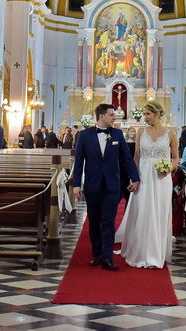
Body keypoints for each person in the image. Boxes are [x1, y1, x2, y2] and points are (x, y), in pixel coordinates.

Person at [73, 103, 140, 270]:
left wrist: (135, 178)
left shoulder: (117, 134)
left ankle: (107, 257)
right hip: (92, 184)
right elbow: (79, 161)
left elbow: (127, 158)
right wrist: (76, 185)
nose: (114, 117)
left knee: (108, 221)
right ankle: (96, 254)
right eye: (111, 115)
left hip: (112, 185)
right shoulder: (84, 135)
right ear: (101, 116)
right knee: (94, 221)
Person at [115, 101, 179, 268]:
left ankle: (155, 254)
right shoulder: (140, 131)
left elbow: (176, 158)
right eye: (144, 114)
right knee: (142, 211)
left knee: (158, 212)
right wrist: (133, 179)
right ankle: (139, 251)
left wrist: (169, 168)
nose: (145, 117)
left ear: (157, 114)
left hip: (161, 179)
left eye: (147, 114)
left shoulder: (171, 133)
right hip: (143, 176)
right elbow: (136, 157)